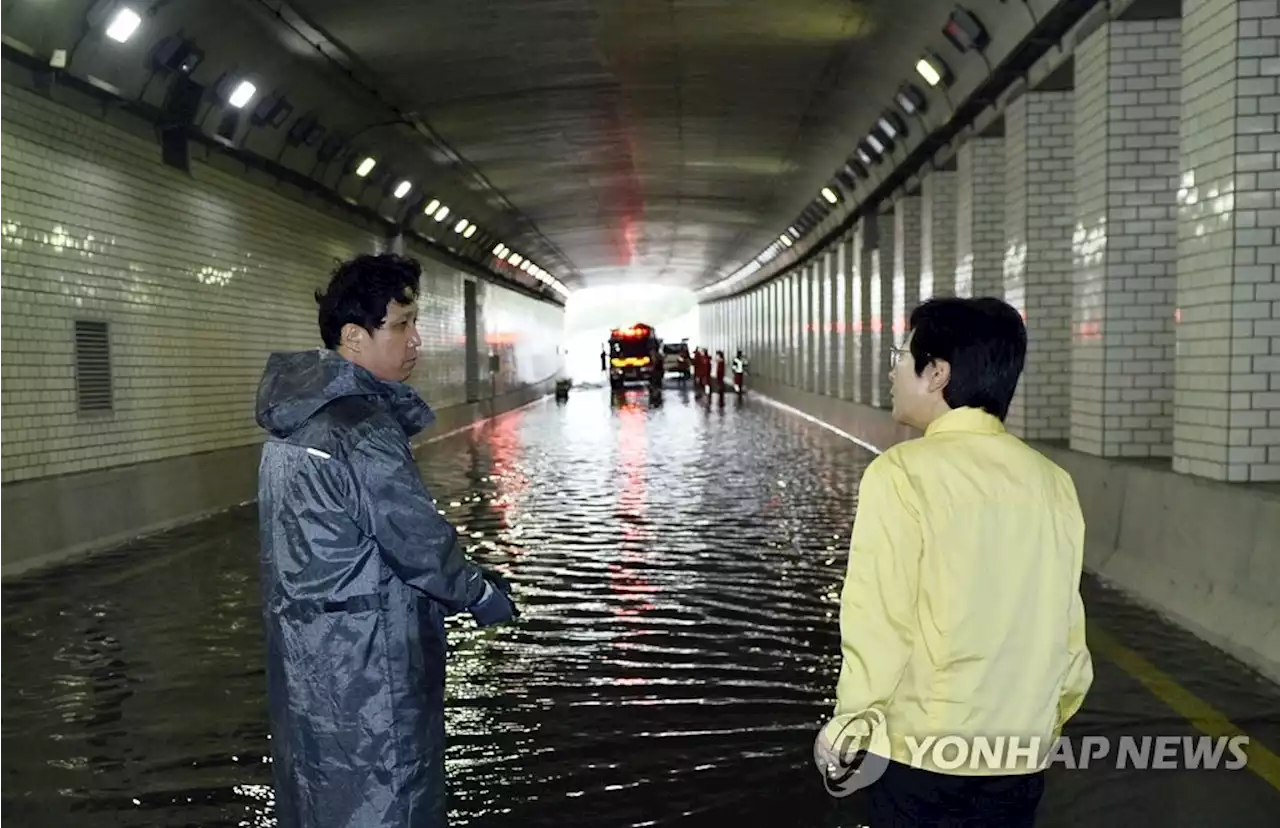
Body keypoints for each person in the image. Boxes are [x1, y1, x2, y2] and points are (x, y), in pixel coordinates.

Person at [254, 253, 519, 828]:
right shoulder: (362, 427)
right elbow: (417, 542)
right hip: (370, 665)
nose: (417, 340)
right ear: (354, 336)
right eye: (401, 325)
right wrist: (477, 593)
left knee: (318, 794)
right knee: (390, 799)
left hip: (308, 660)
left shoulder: (295, 422)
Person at [815, 296, 1092, 826]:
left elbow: (880, 621)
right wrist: (1045, 723)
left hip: (922, 755)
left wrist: (852, 722)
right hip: (1017, 755)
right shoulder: (1053, 482)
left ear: (936, 372)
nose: (892, 370)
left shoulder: (902, 473)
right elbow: (1067, 629)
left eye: (901, 354)